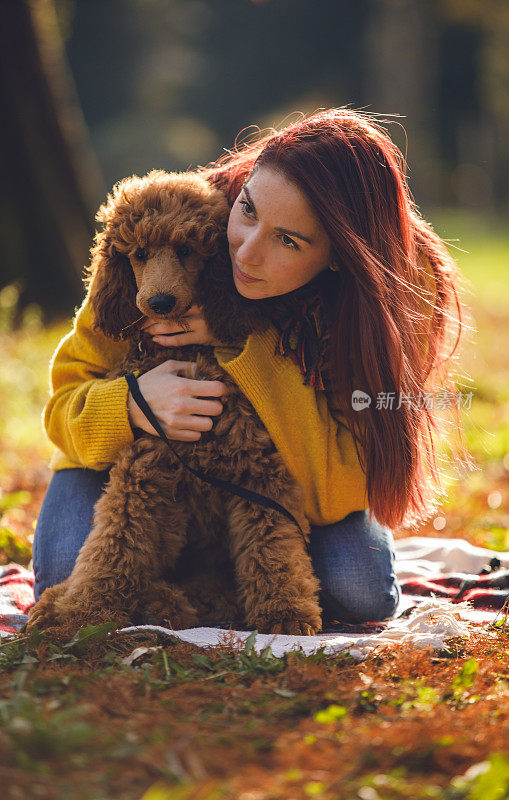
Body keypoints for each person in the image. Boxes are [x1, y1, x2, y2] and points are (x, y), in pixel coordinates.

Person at [32, 108, 471, 626]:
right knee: (64, 570)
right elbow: (62, 406)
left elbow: (335, 489)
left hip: (294, 483)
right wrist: (131, 403)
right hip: (128, 466)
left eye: (288, 240)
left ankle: (201, 594)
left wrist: (248, 346)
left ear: (339, 255)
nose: (246, 250)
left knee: (361, 592)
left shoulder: (387, 301)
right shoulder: (179, 224)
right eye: (248, 210)